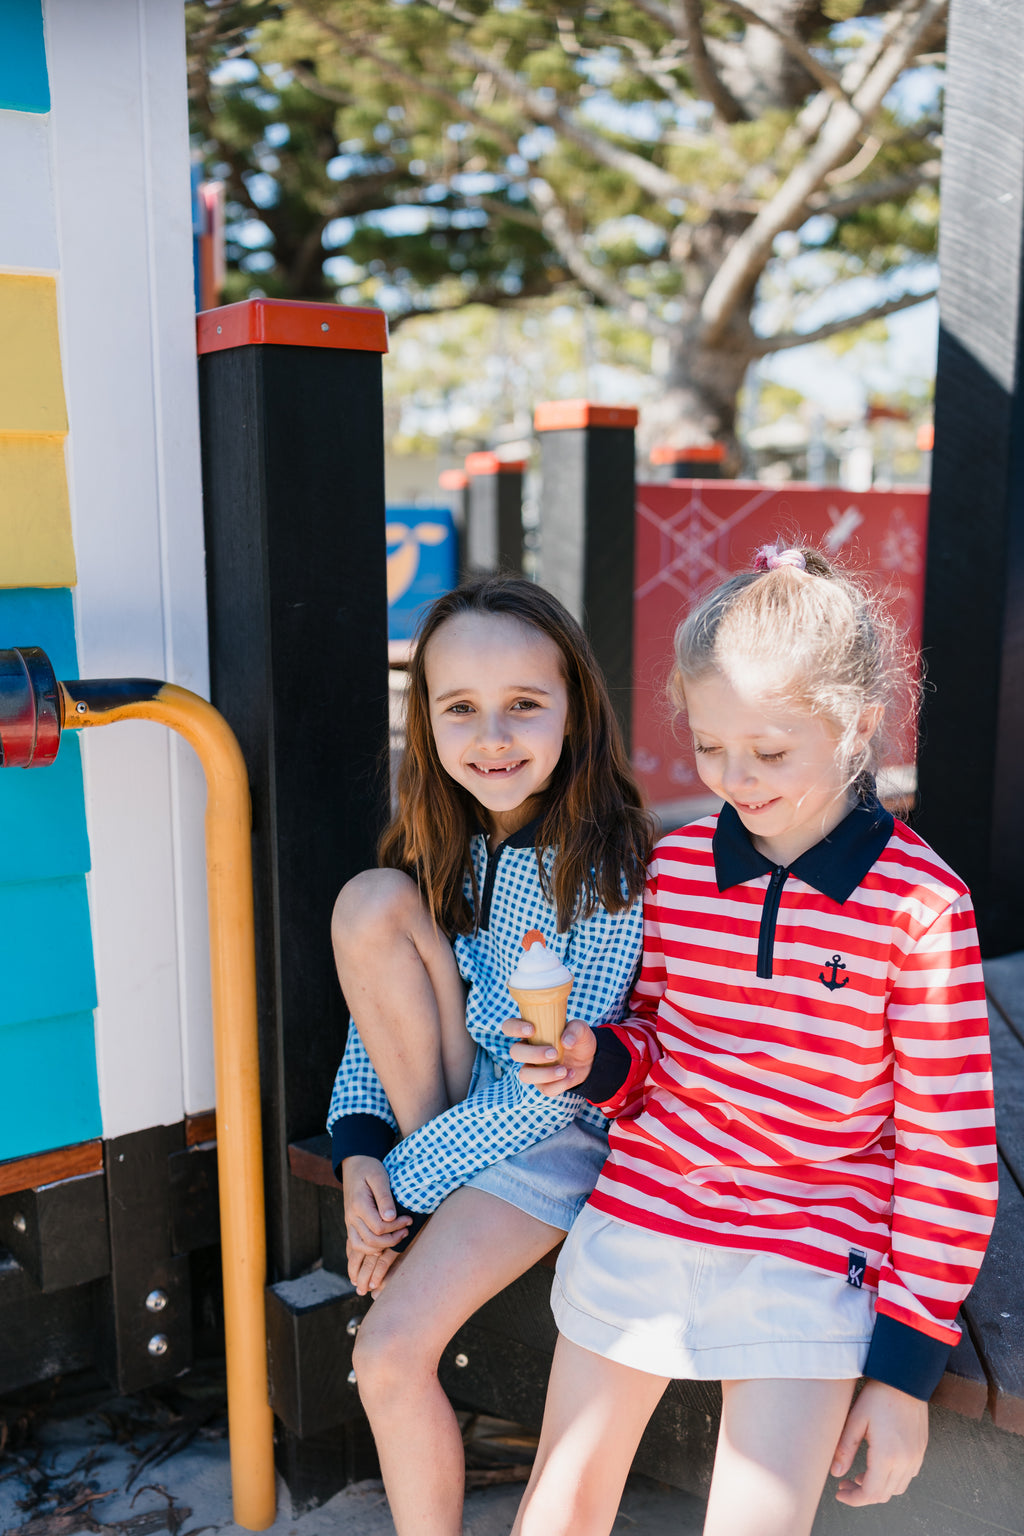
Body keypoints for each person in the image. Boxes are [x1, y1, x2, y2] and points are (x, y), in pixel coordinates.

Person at [507, 543, 997, 1536]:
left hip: (814, 1244)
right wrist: (597, 1061)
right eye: (708, 745)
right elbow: (654, 1043)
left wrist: (904, 1373)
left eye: (769, 752)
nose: (734, 778)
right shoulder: (678, 868)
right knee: (554, 1510)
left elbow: (947, 1152)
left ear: (859, 727)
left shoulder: (921, 906)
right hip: (649, 1208)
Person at [326, 574, 654, 1536]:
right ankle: (429, 1204)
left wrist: (405, 1183)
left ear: (574, 709)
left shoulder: (607, 864)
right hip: (447, 1121)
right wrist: (361, 1153)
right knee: (370, 900)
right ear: (426, 720)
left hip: (555, 1142)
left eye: (524, 705)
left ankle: (431, 1210)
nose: (493, 736)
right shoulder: (444, 838)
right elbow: (373, 1020)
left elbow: (554, 1091)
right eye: (461, 708)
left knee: (386, 1353)